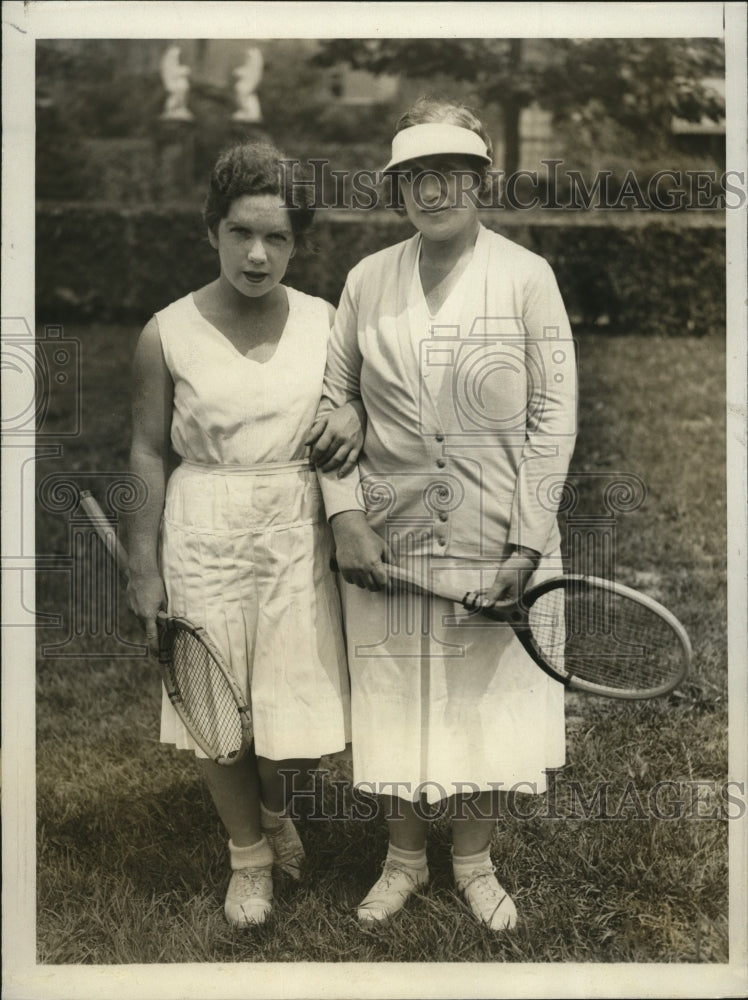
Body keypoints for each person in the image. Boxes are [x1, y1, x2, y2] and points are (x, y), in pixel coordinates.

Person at [319, 97, 577, 931]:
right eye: (416, 178)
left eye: (451, 175)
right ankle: (401, 861)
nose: (434, 193)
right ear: (399, 189)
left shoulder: (527, 277)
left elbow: (554, 421)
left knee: (485, 699)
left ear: (481, 181)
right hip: (388, 539)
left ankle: (471, 861)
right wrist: (344, 516)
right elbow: (334, 403)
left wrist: (525, 550)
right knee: (395, 695)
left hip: (498, 535)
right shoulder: (366, 281)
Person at [126, 139, 362, 928]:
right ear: (212, 231)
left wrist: (351, 413)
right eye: (241, 234)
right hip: (205, 529)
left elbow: (351, 409)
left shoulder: (328, 323)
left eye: (278, 238)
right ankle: (248, 856)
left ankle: (278, 809)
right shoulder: (166, 333)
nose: (258, 255)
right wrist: (142, 565)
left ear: (297, 242)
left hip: (296, 530)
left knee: (294, 729)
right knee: (216, 711)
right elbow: (147, 450)